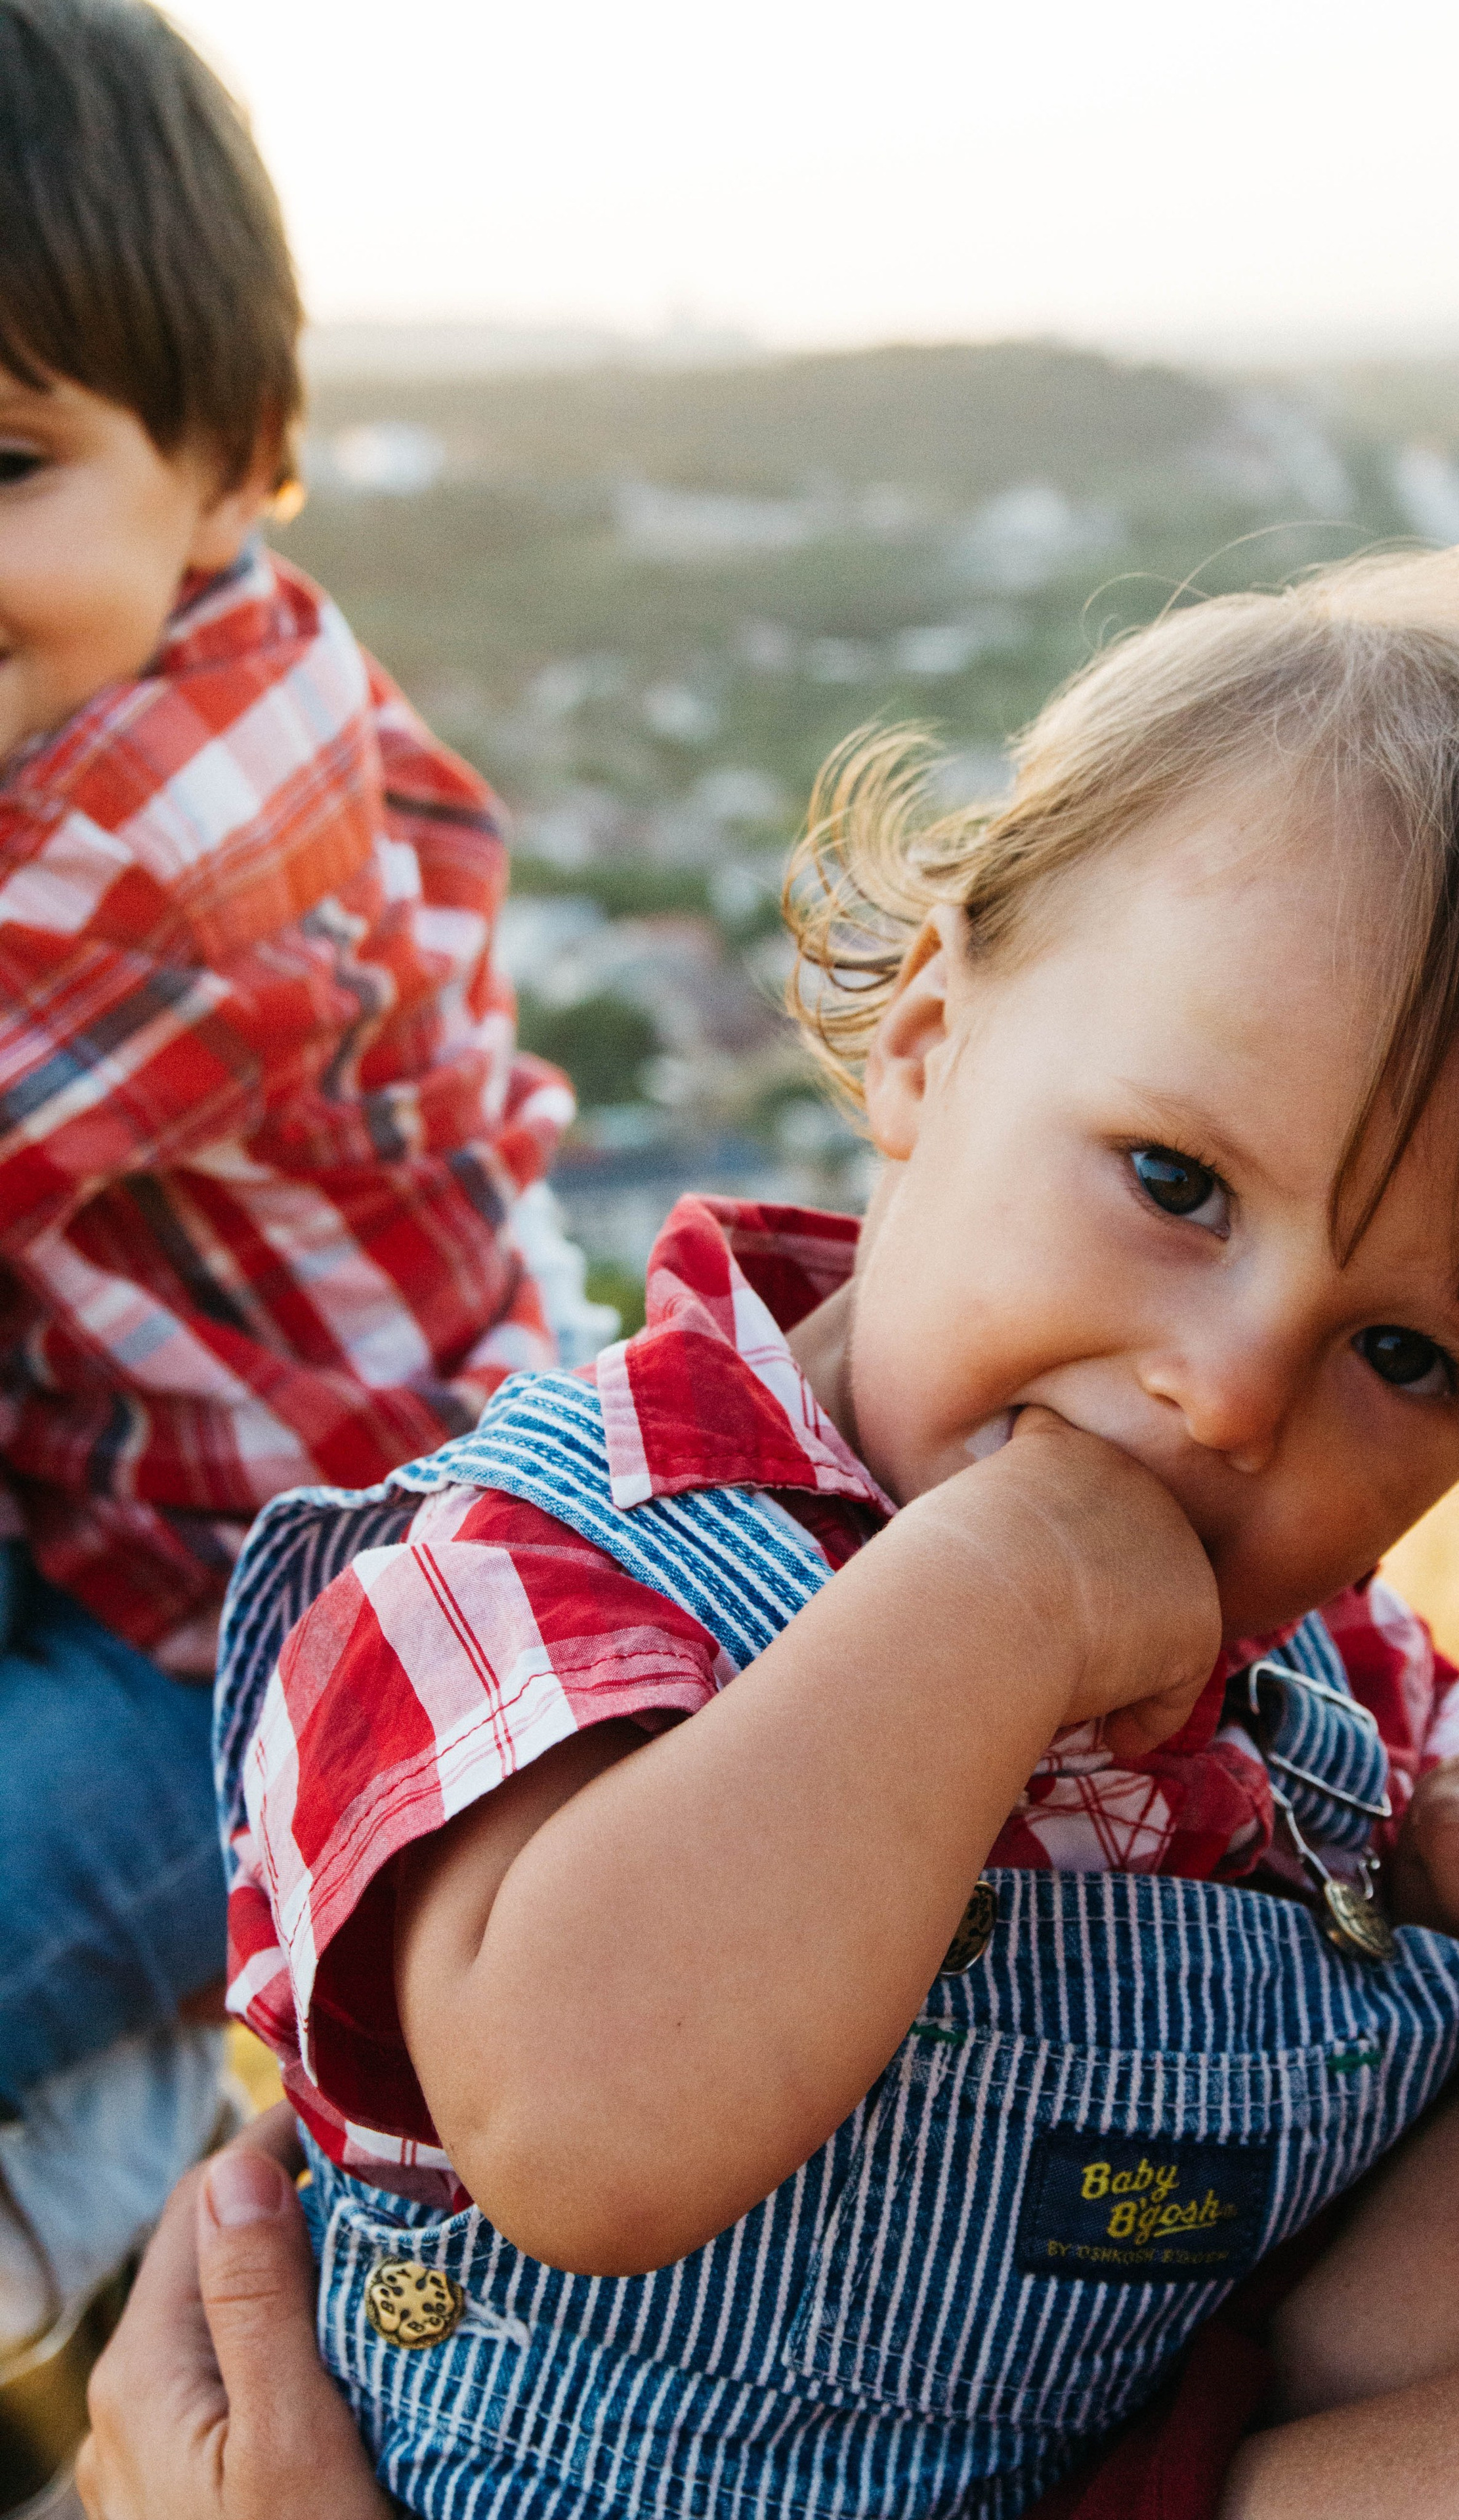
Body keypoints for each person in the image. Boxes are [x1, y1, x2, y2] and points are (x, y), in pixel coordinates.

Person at [203, 547, 1459, 2520]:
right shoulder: (543, 1580)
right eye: (1176, 1182)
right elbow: (580, 2128)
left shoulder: (1333, 1683)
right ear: (927, 1039)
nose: (1228, 1392)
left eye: (1399, 1351)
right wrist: (995, 1595)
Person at [0, 0, 599, 2454]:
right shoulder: (142, 671)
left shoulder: (156, 828)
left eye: (3, 456)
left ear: (238, 464)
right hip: (136, 1505)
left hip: (300, 1651)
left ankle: (119, 2162)